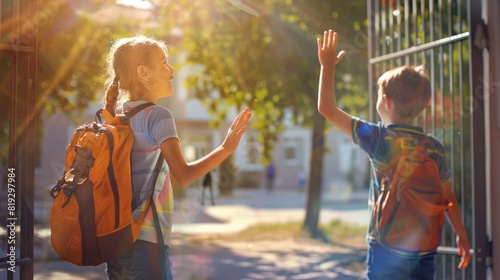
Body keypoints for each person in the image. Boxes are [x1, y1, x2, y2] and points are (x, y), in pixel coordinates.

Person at [316, 29, 470, 279]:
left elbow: (327, 108)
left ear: (386, 102)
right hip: (424, 249)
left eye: (378, 95)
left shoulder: (377, 138)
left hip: (385, 248)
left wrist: (327, 66)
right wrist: (462, 235)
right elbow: (448, 198)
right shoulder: (434, 147)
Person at [102, 35, 251, 279]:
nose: (171, 69)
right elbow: (183, 175)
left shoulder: (116, 118)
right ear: (144, 73)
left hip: (116, 242)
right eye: (163, 63)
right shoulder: (158, 116)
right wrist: (226, 148)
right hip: (146, 243)